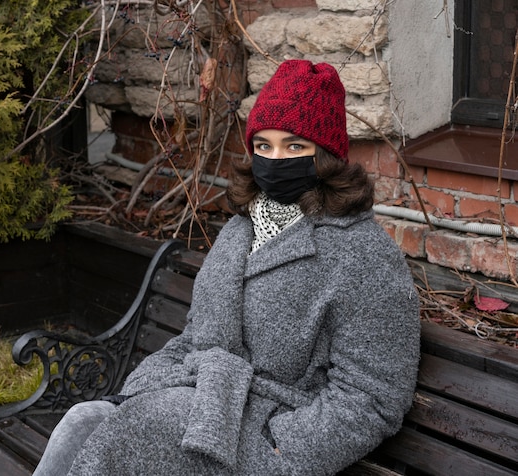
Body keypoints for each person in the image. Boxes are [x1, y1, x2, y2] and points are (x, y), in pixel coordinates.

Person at [33, 59, 420, 476]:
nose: (275, 159)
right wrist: (142, 390)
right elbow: (195, 337)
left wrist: (276, 450)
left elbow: (372, 398)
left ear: (325, 156)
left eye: (294, 147)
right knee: (81, 422)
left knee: (129, 433)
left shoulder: (363, 254)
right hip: (201, 404)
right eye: (264, 146)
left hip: (266, 439)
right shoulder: (242, 228)